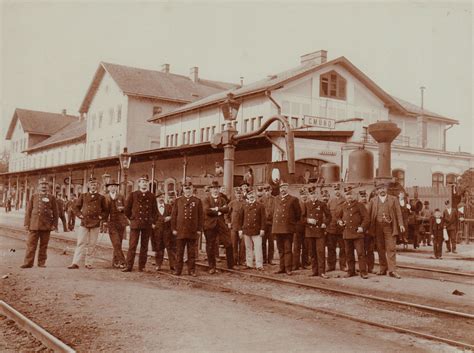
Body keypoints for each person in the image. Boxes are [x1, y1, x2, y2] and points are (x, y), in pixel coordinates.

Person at [68, 177, 108, 269]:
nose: (93, 186)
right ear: (88, 186)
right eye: (91, 184)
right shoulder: (83, 196)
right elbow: (75, 207)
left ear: (97, 186)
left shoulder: (101, 197)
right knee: (81, 242)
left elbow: (105, 210)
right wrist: (80, 215)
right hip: (84, 222)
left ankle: (89, 263)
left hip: (95, 223)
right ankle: (75, 263)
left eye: (95, 184)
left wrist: (100, 217)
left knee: (92, 243)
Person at [367, 183, 404, 279]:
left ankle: (392, 270)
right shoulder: (373, 200)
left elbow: (398, 213)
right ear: (377, 191)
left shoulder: (393, 199)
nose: (382, 190)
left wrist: (401, 224)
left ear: (386, 189)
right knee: (380, 248)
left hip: (390, 227)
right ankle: (383, 268)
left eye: (383, 188)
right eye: (380, 189)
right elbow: (368, 215)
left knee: (391, 248)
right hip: (377, 228)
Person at [122, 175, 158, 272]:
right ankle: (129, 266)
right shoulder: (133, 195)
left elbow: (155, 211)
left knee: (144, 246)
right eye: (142, 182)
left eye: (146, 182)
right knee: (132, 245)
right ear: (139, 184)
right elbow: (126, 210)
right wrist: (132, 219)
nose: (144, 183)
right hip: (136, 223)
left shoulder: (152, 196)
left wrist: (153, 222)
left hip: (147, 224)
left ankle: (142, 266)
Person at [21, 178, 58, 268]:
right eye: (42, 184)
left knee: (44, 245)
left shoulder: (52, 197)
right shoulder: (34, 196)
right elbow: (28, 211)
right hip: (34, 224)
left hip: (46, 225)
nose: (44, 186)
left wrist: (54, 225)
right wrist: (26, 223)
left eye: (45, 184)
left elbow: (56, 212)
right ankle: (28, 263)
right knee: (31, 245)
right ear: (39, 186)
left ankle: (41, 263)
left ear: (48, 186)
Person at [171, 181, 203, 276]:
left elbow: (200, 216)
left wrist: (199, 229)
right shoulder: (178, 201)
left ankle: (191, 270)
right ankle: (178, 270)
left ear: (192, 189)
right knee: (179, 252)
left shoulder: (197, 201)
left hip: (192, 231)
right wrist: (174, 229)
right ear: (183, 189)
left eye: (189, 188)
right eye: (186, 188)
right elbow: (174, 216)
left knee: (191, 252)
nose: (188, 190)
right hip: (180, 230)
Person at [337, 187, 370, 279]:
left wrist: (362, 228)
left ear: (354, 195)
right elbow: (338, 217)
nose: (349, 196)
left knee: (360, 253)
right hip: (347, 233)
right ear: (345, 196)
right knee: (349, 253)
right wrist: (339, 222)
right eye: (347, 194)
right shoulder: (343, 206)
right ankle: (351, 271)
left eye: (350, 194)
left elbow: (366, 218)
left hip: (357, 233)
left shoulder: (359, 205)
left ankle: (363, 272)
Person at [203, 180, 234, 273]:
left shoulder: (223, 199)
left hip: (221, 224)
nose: (215, 190)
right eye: (213, 189)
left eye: (217, 188)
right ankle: (212, 267)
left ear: (219, 189)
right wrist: (220, 211)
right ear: (210, 190)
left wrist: (216, 209)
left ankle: (230, 265)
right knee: (210, 246)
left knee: (228, 243)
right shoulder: (206, 199)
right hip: (210, 225)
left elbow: (227, 209)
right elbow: (207, 211)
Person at [272, 182, 301, 275]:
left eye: (284, 187)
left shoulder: (293, 199)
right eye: (281, 188)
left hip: (287, 228)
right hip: (277, 228)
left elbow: (298, 214)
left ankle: (288, 268)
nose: (283, 189)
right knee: (280, 249)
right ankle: (281, 267)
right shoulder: (276, 199)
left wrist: (292, 224)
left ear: (287, 188)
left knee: (288, 249)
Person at [303, 187, 331, 278]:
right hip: (310, 232)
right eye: (311, 194)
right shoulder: (306, 204)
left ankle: (322, 272)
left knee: (320, 252)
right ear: (309, 195)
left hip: (319, 232)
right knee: (312, 252)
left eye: (314, 194)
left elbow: (329, 216)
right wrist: (308, 220)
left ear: (317, 194)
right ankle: (314, 271)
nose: (313, 196)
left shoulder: (322, 204)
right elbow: (301, 218)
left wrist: (324, 223)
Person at [238, 189, 266, 270]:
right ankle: (249, 264)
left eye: (252, 194)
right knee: (248, 248)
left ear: (255, 196)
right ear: (247, 196)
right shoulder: (244, 206)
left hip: (257, 230)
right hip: (246, 230)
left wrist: (262, 229)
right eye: (249, 195)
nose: (251, 196)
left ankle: (259, 265)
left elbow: (263, 219)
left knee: (258, 248)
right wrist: (240, 229)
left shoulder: (260, 205)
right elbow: (240, 219)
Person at [104, 179, 128, 269]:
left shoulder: (121, 196)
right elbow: (103, 211)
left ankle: (115, 261)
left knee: (119, 243)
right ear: (108, 188)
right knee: (116, 242)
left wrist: (123, 208)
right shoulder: (105, 197)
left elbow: (127, 208)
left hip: (121, 222)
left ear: (117, 187)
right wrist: (104, 221)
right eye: (111, 186)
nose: (113, 187)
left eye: (115, 186)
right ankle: (123, 262)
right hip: (111, 222)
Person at [326, 184, 346, 272]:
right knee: (331, 248)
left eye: (338, 189)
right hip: (331, 228)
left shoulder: (345, 201)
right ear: (333, 191)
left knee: (343, 248)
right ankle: (331, 265)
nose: (337, 191)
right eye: (335, 190)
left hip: (342, 229)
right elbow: (327, 215)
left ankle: (343, 265)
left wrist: (342, 221)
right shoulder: (331, 202)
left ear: (341, 190)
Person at [154, 190, 176, 271]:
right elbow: (152, 218)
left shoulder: (168, 206)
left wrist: (169, 218)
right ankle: (158, 264)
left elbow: (173, 215)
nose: (161, 198)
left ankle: (173, 265)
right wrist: (155, 224)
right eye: (159, 197)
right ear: (156, 198)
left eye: (162, 196)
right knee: (159, 248)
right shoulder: (154, 208)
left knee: (170, 247)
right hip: (158, 231)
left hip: (167, 230)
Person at [228, 187, 246, 267]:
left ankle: (242, 260)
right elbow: (226, 214)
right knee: (234, 244)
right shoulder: (232, 203)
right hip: (233, 227)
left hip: (243, 228)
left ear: (242, 194)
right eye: (237, 193)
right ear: (235, 194)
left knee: (242, 245)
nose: (239, 195)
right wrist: (228, 222)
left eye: (240, 193)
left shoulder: (245, 203)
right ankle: (234, 261)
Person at [358, 190, 375, 273]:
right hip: (360, 232)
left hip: (369, 232)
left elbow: (372, 218)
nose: (363, 198)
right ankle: (362, 267)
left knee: (370, 250)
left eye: (364, 196)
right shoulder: (357, 205)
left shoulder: (369, 205)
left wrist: (370, 229)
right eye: (362, 197)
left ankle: (370, 267)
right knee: (361, 251)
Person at [293, 187, 308, 270]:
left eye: (305, 195)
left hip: (307, 228)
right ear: (300, 195)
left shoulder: (309, 204)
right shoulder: (297, 204)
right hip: (298, 228)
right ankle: (296, 264)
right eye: (302, 195)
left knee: (306, 246)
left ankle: (305, 263)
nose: (304, 196)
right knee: (296, 247)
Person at [261, 184, 275, 264]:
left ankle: (270, 259)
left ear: (271, 190)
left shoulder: (275, 199)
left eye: (268, 191)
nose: (267, 192)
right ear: (263, 191)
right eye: (265, 191)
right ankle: (263, 258)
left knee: (271, 242)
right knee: (263, 242)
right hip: (263, 224)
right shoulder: (260, 200)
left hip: (272, 224)